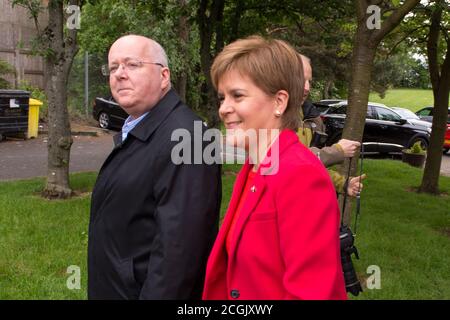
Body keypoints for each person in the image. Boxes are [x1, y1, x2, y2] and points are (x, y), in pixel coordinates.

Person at [202, 36, 347, 300]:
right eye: (222, 97)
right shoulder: (255, 166)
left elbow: (313, 293)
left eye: (237, 95)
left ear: (279, 102)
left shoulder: (301, 174)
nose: (224, 108)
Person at [88, 35, 221, 300]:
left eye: (132, 65)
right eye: (113, 67)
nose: (119, 75)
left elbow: (180, 254)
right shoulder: (138, 126)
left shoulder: (191, 137)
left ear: (164, 76)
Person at [298, 54, 365, 197]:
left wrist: (342, 183)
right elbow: (295, 164)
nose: (307, 88)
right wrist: (338, 151)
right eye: (300, 80)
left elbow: (311, 167)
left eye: (309, 81)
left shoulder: (309, 116)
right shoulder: (271, 117)